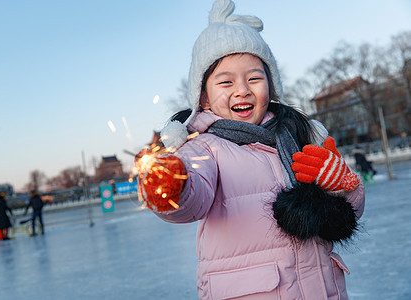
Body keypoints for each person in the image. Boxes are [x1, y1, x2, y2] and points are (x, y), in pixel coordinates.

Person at [135, 0, 365, 299]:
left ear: (271, 85)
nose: (242, 89)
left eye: (254, 78)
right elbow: (194, 199)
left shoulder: (298, 135)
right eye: (226, 81)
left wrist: (345, 187)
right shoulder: (202, 148)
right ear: (203, 97)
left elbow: (350, 215)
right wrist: (172, 186)